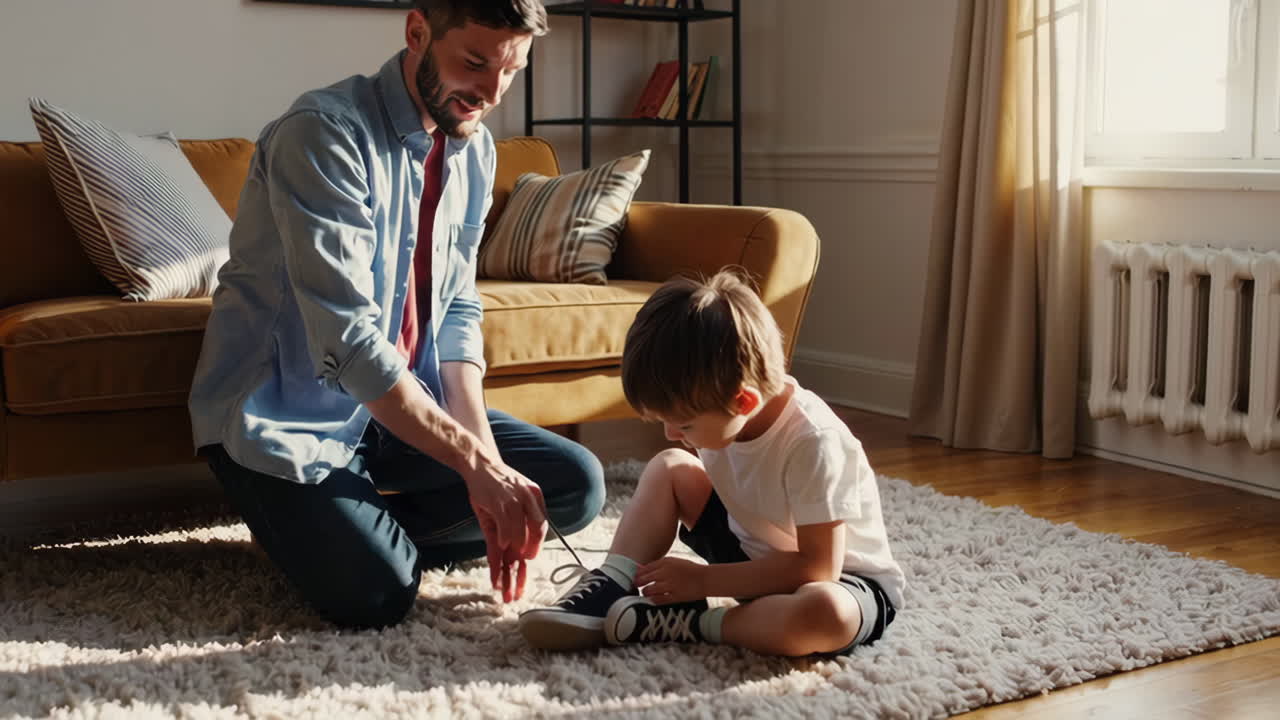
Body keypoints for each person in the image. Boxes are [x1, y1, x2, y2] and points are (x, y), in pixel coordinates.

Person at [188, 0, 604, 630]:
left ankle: (337, 533)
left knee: (573, 487)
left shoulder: (476, 149)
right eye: (474, 63)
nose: (491, 91)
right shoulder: (323, 132)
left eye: (511, 69)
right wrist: (474, 469)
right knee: (376, 594)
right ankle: (331, 538)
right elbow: (350, 340)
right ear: (417, 32)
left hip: (407, 405)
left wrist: (487, 463)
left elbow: (458, 306)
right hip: (286, 413)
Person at [518, 270, 904, 656]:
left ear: (744, 403)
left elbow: (817, 569)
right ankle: (611, 585)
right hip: (752, 555)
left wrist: (706, 581)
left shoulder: (812, 443)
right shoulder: (719, 409)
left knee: (825, 615)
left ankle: (694, 624)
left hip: (840, 581)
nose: (671, 432)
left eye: (683, 423)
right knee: (669, 466)